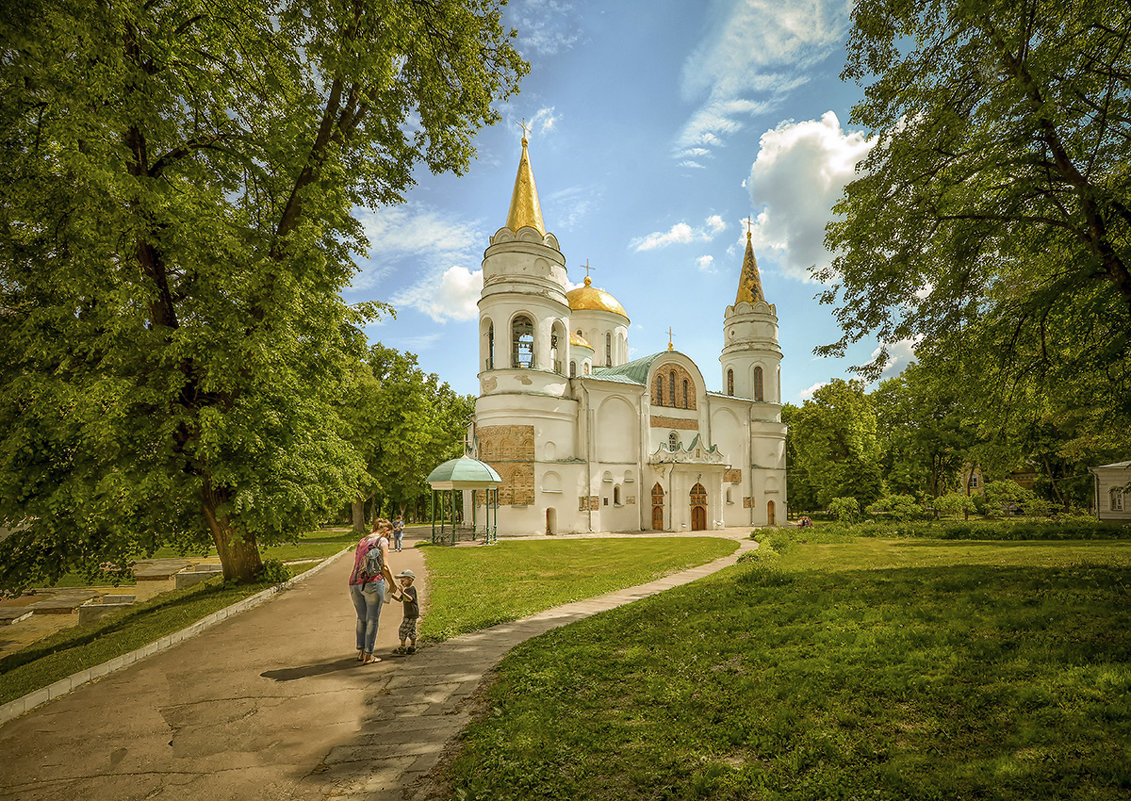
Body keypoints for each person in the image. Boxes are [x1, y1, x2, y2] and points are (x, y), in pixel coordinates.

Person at [349, 519, 396, 664]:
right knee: (372, 620)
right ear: (386, 531)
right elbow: (385, 567)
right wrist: (392, 584)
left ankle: (361, 652)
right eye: (390, 535)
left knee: (361, 618)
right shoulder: (382, 541)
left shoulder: (363, 540)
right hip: (373, 582)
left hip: (354, 583)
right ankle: (369, 655)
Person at [390, 569, 419, 655]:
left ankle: (402, 647)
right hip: (408, 614)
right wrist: (391, 596)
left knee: (402, 630)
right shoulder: (405, 591)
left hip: (412, 614)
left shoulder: (411, 589)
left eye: (403, 581)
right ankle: (413, 647)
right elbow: (400, 599)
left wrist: (402, 592)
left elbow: (410, 599)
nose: (402, 583)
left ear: (410, 580)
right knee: (411, 630)